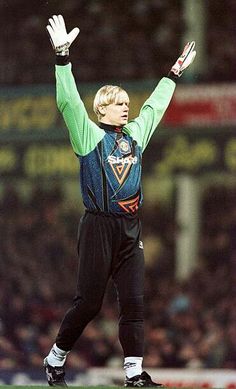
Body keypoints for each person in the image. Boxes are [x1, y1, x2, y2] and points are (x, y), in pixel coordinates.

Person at [44, 14, 196, 388]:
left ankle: (133, 373)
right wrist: (63, 59)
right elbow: (68, 103)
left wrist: (173, 73)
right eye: (118, 103)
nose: (126, 107)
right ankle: (55, 358)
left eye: (127, 102)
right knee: (90, 304)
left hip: (130, 228)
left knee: (134, 302)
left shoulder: (135, 134)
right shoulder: (88, 136)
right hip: (97, 225)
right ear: (101, 109)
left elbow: (155, 108)